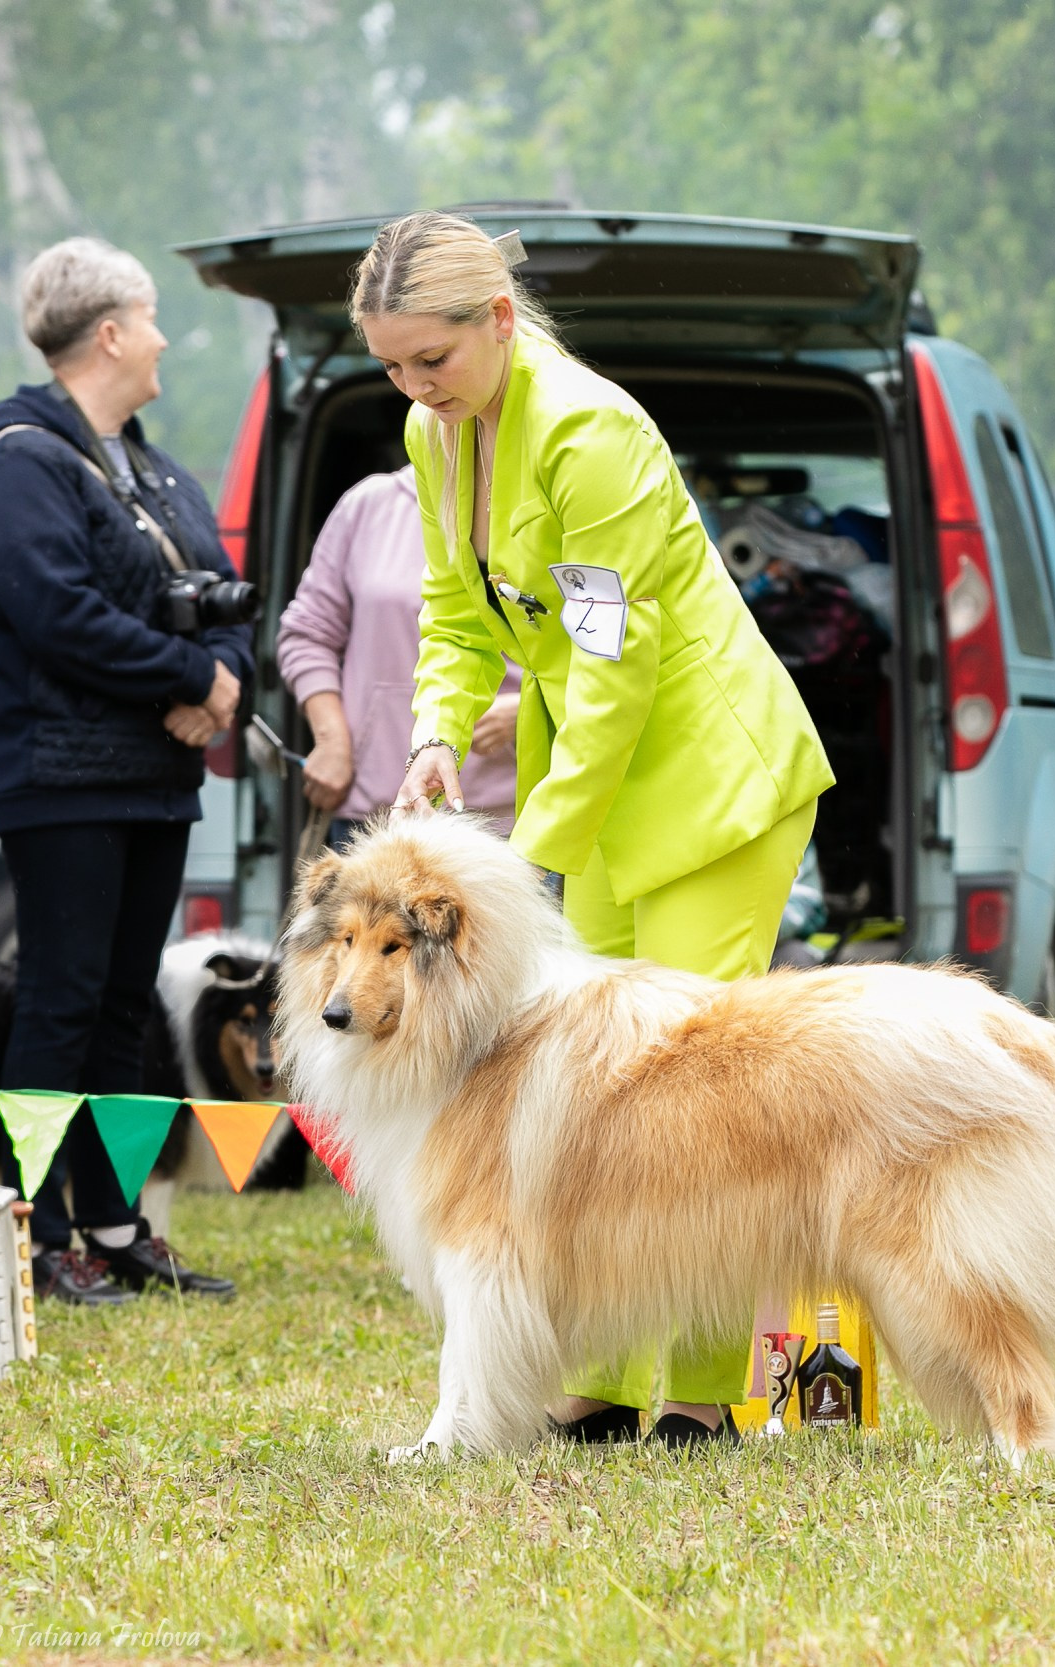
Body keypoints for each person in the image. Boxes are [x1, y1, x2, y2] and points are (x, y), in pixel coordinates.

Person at [358, 211, 835, 1446]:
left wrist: (523, 857)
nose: (414, 388)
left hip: (711, 785)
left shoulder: (592, 433)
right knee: (591, 1100)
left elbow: (616, 666)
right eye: (392, 366)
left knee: (695, 1103)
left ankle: (703, 1394)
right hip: (597, 782)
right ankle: (608, 1380)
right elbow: (455, 613)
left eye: (431, 359)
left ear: (497, 320)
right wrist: (436, 733)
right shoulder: (434, 432)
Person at [0, 237, 250, 1304]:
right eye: (153, 318)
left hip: (151, 774)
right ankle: (37, 1239)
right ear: (112, 333)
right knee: (61, 1001)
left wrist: (224, 677)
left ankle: (116, 1223)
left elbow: (223, 590)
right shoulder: (19, 464)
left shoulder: (155, 469)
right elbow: (57, 613)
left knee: (125, 1004)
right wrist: (190, 674)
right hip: (59, 775)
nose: (166, 339)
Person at [275, 462, 520, 842]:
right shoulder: (371, 504)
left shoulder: (541, 501)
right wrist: (332, 740)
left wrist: (525, 710)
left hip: (507, 820)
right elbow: (308, 633)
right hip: (378, 815)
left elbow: (596, 648)